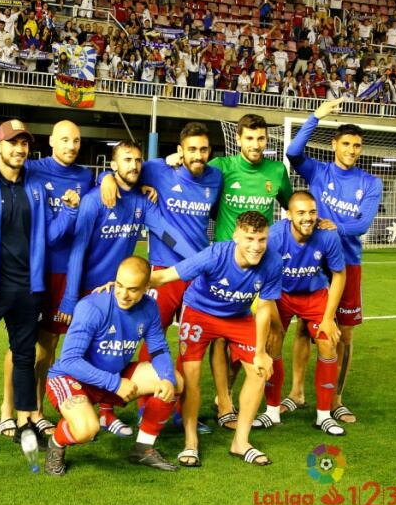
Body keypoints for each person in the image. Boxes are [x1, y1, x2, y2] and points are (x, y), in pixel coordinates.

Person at [0, 119, 80, 462]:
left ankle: (24, 421)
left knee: (25, 356)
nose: (19, 149)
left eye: (24, 144)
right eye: (12, 143)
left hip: (27, 288)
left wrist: (68, 211)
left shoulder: (35, 185)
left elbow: (50, 237)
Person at [58, 139, 196, 437]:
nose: (133, 165)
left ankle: (107, 413)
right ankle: (67, 412)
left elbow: (167, 234)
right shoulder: (96, 200)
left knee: (112, 352)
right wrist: (70, 299)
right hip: (89, 293)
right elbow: (78, 251)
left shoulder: (143, 202)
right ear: (113, 165)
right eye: (126, 160)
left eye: (137, 160)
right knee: (79, 355)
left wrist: (197, 261)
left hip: (123, 293)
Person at [99, 123, 222, 433]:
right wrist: (105, 178)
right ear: (179, 151)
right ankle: (145, 409)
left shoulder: (216, 177)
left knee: (190, 344)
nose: (198, 155)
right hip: (163, 272)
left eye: (203, 149)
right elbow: (124, 170)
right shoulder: (156, 169)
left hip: (198, 274)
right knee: (151, 338)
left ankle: (181, 411)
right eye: (191, 149)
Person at [149, 211, 282, 466]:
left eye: (261, 239)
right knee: (191, 375)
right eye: (249, 238)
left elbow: (264, 306)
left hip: (237, 316)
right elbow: (165, 276)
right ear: (236, 236)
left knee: (259, 371)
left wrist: (260, 352)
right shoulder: (215, 254)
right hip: (199, 312)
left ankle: (240, 442)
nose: (256, 247)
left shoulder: (273, 262)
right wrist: (125, 283)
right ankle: (190, 443)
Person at [284, 98, 383, 424]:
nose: (352, 150)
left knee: (344, 334)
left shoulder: (370, 183)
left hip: (348, 263)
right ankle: (297, 392)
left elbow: (362, 225)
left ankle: (336, 398)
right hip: (314, 261)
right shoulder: (318, 170)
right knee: (304, 329)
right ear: (334, 144)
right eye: (346, 144)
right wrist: (316, 116)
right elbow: (293, 153)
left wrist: (334, 225)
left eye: (357, 146)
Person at [44, 256, 180, 476]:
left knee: (174, 381)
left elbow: (158, 349)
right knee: (87, 430)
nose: (123, 295)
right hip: (70, 378)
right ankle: (56, 443)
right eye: (119, 285)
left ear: (147, 287)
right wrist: (115, 383)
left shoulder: (149, 307)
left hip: (112, 377)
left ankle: (143, 448)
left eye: (133, 289)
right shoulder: (92, 307)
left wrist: (167, 378)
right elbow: (69, 360)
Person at [207, 114, 292, 428]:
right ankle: (224, 399)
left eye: (261, 139)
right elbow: (193, 181)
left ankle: (269, 396)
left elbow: (291, 203)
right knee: (220, 337)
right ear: (238, 139)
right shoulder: (222, 167)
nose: (256, 145)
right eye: (250, 138)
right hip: (225, 266)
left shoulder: (276, 171)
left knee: (273, 331)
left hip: (259, 266)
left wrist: (316, 218)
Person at [252, 191, 347, 436]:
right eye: (301, 213)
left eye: (312, 212)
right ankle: (271, 411)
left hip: (314, 295)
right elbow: (264, 283)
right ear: (289, 215)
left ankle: (324, 416)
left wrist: (328, 318)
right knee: (272, 343)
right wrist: (273, 324)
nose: (308, 218)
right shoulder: (274, 237)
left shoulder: (328, 235)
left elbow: (339, 274)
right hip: (280, 294)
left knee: (328, 343)